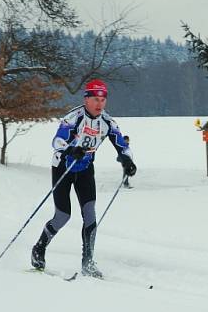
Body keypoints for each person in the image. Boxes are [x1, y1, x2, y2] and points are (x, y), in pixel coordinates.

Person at [30, 79, 137, 278]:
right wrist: (71, 148)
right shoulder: (74, 117)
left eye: (103, 100)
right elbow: (57, 141)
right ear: (86, 99)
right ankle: (39, 249)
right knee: (63, 216)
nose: (99, 104)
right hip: (64, 166)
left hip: (85, 168)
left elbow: (123, 145)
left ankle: (87, 262)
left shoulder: (107, 122)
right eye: (95, 99)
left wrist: (128, 160)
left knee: (90, 214)